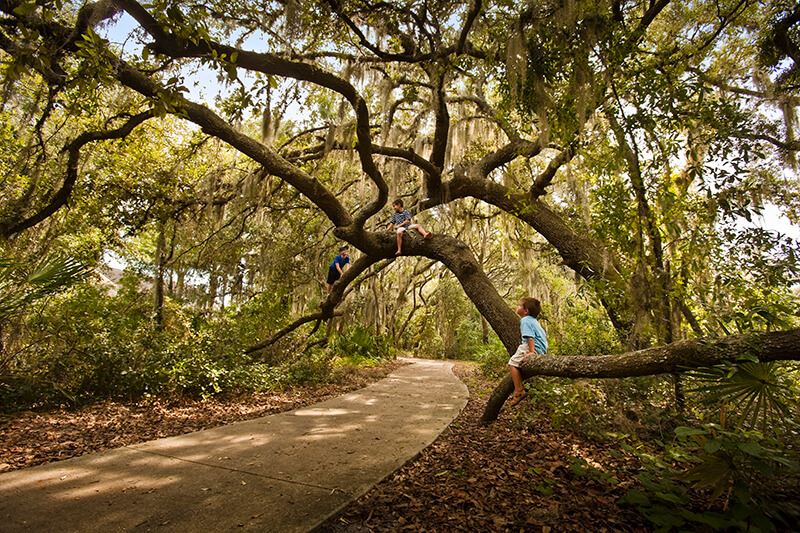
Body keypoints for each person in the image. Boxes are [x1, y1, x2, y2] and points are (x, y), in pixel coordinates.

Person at [507, 297, 548, 407]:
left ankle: (519, 390)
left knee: (512, 363)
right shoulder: (534, 321)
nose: (517, 307)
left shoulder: (525, 320)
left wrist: (531, 351)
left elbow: (530, 337)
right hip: (542, 348)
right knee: (518, 363)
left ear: (526, 311)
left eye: (520, 306)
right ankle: (519, 388)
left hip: (532, 347)